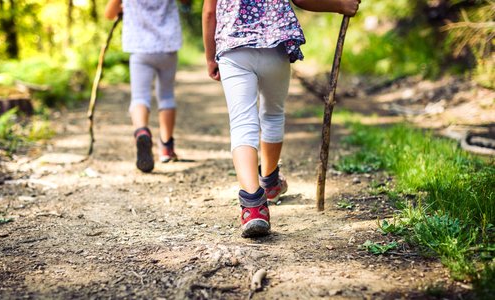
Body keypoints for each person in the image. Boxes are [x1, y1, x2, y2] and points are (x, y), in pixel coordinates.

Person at [202, 0, 361, 237]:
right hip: (273, 45)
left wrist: (210, 57)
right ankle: (269, 181)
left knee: (242, 123)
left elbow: (209, 12)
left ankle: (253, 207)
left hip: (233, 48)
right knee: (273, 114)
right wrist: (340, 5)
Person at [105, 0, 190, 172]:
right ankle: (166, 147)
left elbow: (109, 13)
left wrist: (124, 7)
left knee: (139, 97)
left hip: (140, 48)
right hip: (168, 46)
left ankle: (142, 132)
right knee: (166, 96)